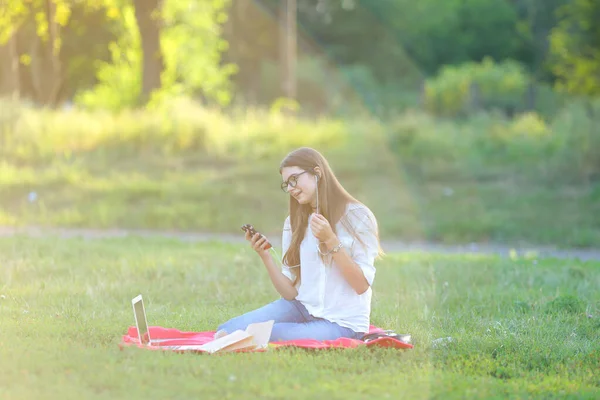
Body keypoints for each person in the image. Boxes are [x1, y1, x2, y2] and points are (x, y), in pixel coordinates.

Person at [216, 147, 383, 342]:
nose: (291, 188)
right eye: (286, 184)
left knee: (263, 333)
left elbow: (361, 285)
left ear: (317, 173)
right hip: (301, 308)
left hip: (342, 322)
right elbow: (290, 292)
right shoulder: (294, 222)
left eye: (294, 179)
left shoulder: (358, 216)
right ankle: (299, 329)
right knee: (229, 329)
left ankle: (297, 331)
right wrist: (265, 256)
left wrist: (331, 240)